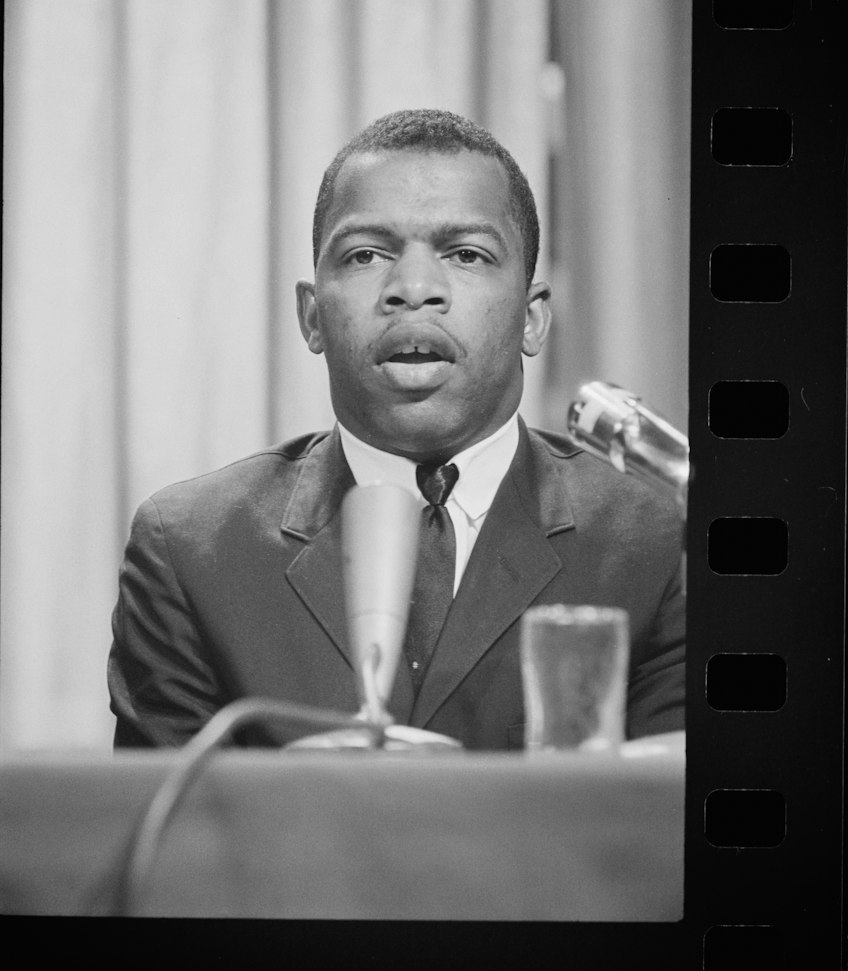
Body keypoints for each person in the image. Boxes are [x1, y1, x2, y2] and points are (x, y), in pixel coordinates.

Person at [108, 109, 685, 749]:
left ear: (532, 319)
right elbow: (158, 833)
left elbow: (666, 829)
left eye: (466, 254)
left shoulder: (656, 537)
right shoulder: (191, 548)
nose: (413, 288)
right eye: (366, 255)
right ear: (311, 316)